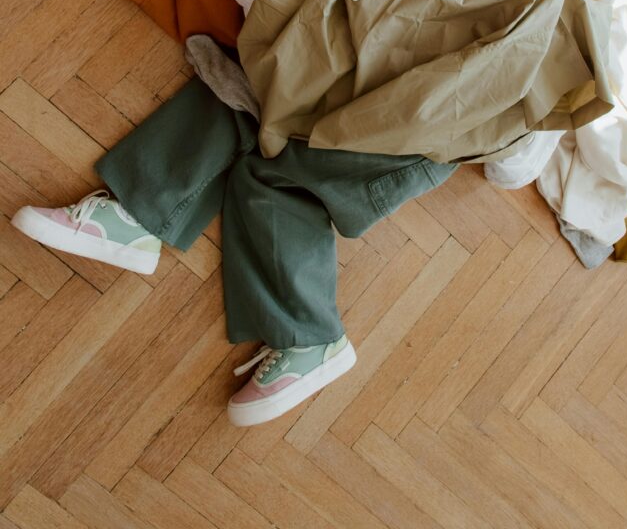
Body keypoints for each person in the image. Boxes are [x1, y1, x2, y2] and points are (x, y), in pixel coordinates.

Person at [11, 77, 456, 426]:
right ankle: (140, 218)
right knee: (251, 96)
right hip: (400, 101)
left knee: (263, 140)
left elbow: (513, 163)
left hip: (419, 130)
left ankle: (307, 334)